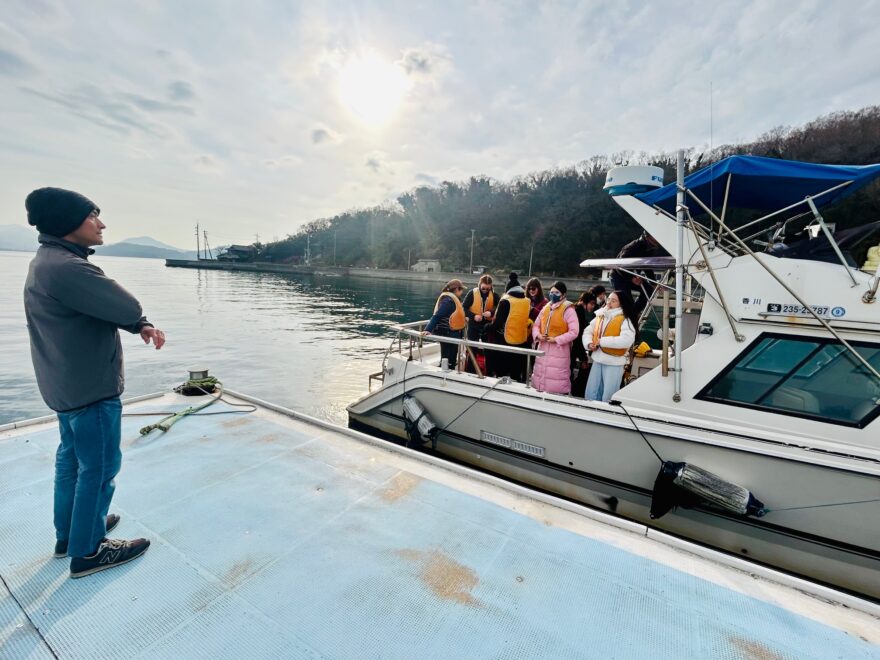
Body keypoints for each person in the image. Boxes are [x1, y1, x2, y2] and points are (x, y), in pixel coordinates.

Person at [23, 187, 165, 579]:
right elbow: (123, 305)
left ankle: (71, 534)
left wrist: (139, 326)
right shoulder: (70, 267)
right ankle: (90, 551)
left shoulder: (46, 261)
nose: (101, 224)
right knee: (99, 468)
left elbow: (105, 309)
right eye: (93, 217)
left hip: (64, 387)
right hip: (89, 389)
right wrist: (139, 319)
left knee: (71, 462)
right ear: (69, 223)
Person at [583, 290, 638, 402]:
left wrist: (602, 341)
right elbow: (587, 332)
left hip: (614, 363)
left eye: (613, 301)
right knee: (591, 392)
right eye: (609, 299)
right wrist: (589, 344)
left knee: (608, 395)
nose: (609, 302)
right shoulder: (601, 315)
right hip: (597, 360)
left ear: (621, 304)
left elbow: (627, 340)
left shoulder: (625, 319)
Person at [531, 281, 579, 394]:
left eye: (556, 292)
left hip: (559, 351)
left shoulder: (569, 310)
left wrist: (557, 339)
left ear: (563, 294)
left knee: (557, 378)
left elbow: (574, 332)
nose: (553, 294)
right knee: (539, 375)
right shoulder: (546, 308)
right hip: (542, 347)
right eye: (551, 292)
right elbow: (536, 325)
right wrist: (538, 335)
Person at [610, 232, 668, 317]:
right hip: (619, 276)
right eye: (654, 241)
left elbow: (648, 268)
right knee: (627, 300)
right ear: (647, 237)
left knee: (649, 290)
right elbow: (620, 265)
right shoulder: (632, 247)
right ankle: (628, 315)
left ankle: (634, 313)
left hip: (633, 276)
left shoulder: (649, 249)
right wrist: (631, 278)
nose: (655, 244)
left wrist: (654, 283)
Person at [488, 283, 531, 382]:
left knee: (502, 372)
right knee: (516, 373)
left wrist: (487, 327)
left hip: (505, 340)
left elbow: (498, 323)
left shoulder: (505, 301)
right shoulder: (526, 301)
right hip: (521, 341)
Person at [424, 279, 466, 370]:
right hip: (447, 333)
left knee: (451, 357)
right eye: (461, 289)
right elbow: (437, 316)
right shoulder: (448, 301)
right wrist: (428, 329)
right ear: (456, 289)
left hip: (453, 333)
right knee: (447, 357)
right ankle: (445, 372)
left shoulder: (453, 300)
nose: (462, 292)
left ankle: (448, 369)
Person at [570, 292, 598, 398]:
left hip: (571, 348)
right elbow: (578, 338)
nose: (593, 306)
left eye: (594, 304)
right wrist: (583, 358)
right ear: (584, 302)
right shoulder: (578, 312)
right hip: (572, 349)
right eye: (591, 303)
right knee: (569, 372)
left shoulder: (576, 310)